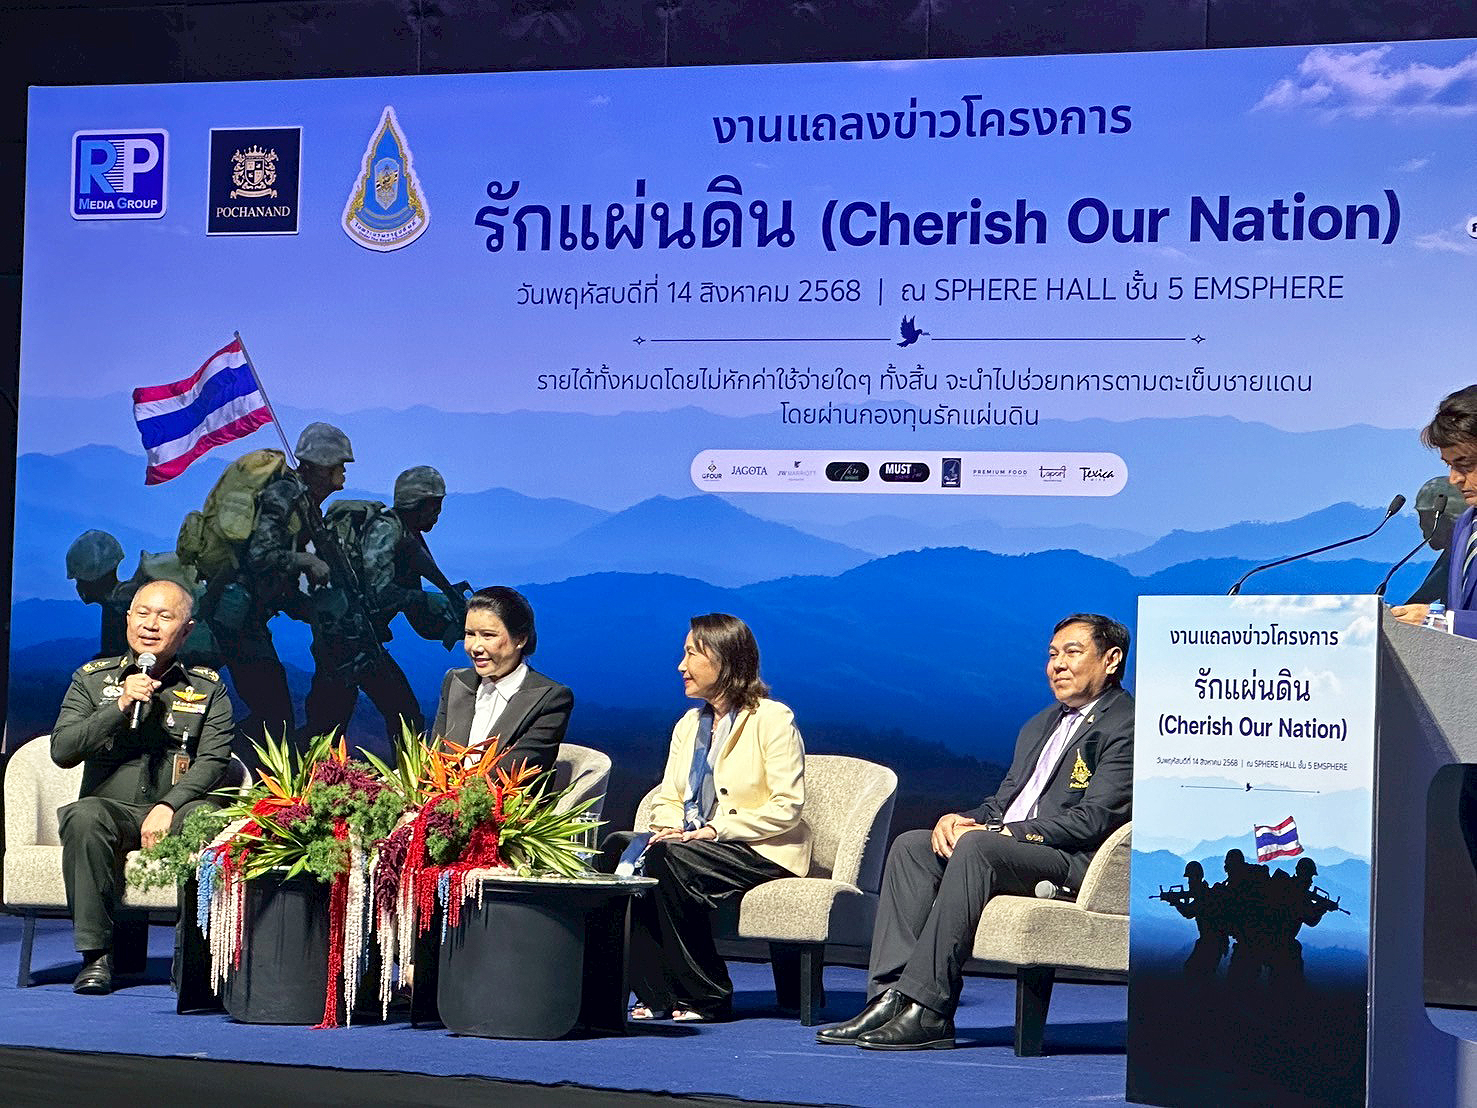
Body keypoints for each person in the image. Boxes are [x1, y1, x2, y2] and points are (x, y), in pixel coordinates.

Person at [816, 613, 1132, 1050]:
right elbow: (1002, 804)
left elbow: (1094, 819)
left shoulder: (1126, 724)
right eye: (1052, 654)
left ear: (1111, 660)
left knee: (979, 846)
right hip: (1011, 845)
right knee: (913, 847)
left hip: (1072, 859)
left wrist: (1003, 833)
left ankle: (929, 1009)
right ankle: (889, 997)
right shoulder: (1040, 724)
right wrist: (958, 819)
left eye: (1072, 653)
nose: (1057, 665)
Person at [600, 613, 809, 1022]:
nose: (681, 666)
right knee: (617, 850)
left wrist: (715, 830)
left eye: (692, 654)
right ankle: (656, 992)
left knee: (669, 859)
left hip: (757, 848)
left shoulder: (772, 719)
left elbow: (787, 806)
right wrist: (666, 828)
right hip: (693, 842)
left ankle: (706, 994)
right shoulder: (689, 724)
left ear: (725, 660)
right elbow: (669, 796)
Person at [50, 579, 234, 994]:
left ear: (186, 630)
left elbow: (214, 761)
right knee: (83, 816)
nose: (151, 625)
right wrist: (119, 706)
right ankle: (96, 957)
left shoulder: (207, 687)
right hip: (110, 812)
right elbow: (62, 750)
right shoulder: (92, 680)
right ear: (128, 619)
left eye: (165, 616)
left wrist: (168, 806)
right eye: (143, 613)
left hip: (176, 810)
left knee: (207, 818)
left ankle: (196, 957)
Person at [302, 464, 462, 747]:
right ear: (418, 503)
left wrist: (451, 618)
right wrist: (425, 599)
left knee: (333, 726)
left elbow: (419, 620)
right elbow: (379, 594)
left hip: (356, 643)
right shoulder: (387, 530)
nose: (438, 514)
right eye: (435, 506)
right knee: (394, 718)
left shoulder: (406, 535)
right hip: (348, 645)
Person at [223, 422, 355, 752]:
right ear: (321, 466)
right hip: (238, 617)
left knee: (275, 716)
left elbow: (279, 579)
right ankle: (218, 759)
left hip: (253, 616)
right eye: (338, 464)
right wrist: (306, 561)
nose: (343, 471)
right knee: (275, 717)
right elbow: (260, 556)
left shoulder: (306, 502)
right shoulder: (285, 494)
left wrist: (309, 608)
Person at [431, 585, 573, 777]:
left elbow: (509, 774)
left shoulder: (550, 698)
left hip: (499, 796)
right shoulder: (455, 681)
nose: (475, 647)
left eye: (488, 635)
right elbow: (434, 757)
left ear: (520, 639)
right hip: (440, 794)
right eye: (470, 634)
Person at [1392, 386, 1477, 637]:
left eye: (1465, 464)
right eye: (1449, 464)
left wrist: (1446, 623)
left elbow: (1452, 621)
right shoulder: (1466, 525)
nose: (1454, 479)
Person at [65, 530, 133, 658]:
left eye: (79, 580)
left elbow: (114, 657)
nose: (79, 587)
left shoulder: (118, 609)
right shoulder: (115, 605)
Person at [1406, 475, 1460, 605]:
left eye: (1426, 517)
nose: (1421, 525)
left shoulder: (1464, 554)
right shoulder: (1455, 553)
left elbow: (1421, 599)